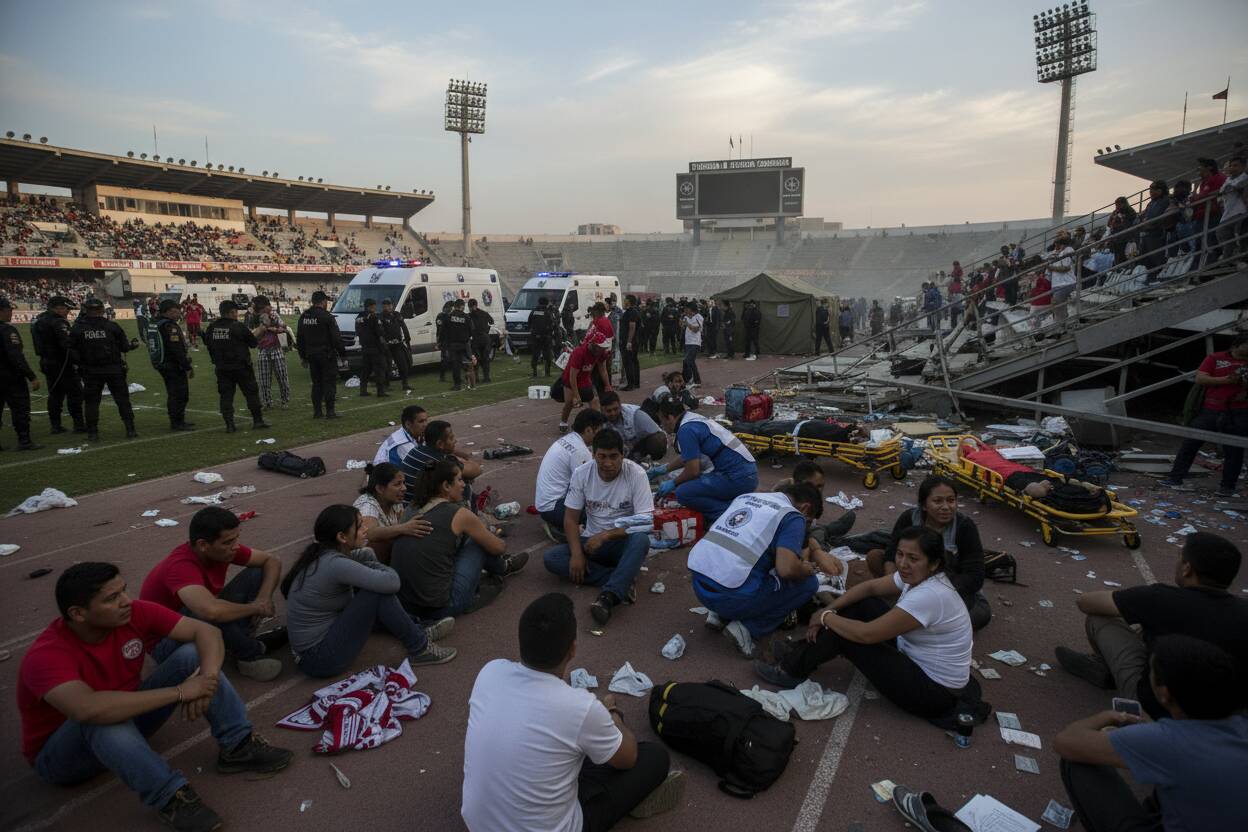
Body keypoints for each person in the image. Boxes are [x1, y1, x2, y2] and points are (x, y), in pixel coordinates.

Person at [18, 562, 293, 831]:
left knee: (191, 654)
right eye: (112, 598)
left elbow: (206, 631)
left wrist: (205, 681)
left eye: (123, 590)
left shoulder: (132, 613)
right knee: (101, 718)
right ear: (78, 613)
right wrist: (181, 692)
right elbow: (87, 709)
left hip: (128, 718)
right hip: (64, 757)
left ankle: (238, 745)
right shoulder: (47, 655)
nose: (126, 601)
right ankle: (170, 797)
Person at [461, 592, 681, 832]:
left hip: (478, 825)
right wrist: (613, 714)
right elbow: (628, 759)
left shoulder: (490, 672)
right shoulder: (581, 707)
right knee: (654, 758)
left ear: (521, 641)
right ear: (573, 649)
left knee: (567, 750)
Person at [755, 527, 983, 725]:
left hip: (935, 695)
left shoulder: (930, 595)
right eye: (900, 554)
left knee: (848, 635)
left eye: (913, 558)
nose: (903, 564)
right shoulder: (917, 577)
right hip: (917, 661)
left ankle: (791, 670)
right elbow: (869, 589)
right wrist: (828, 609)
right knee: (862, 605)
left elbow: (866, 635)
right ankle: (800, 652)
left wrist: (825, 617)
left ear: (933, 564)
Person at [1055, 635, 1247, 832]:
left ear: (1164, 693)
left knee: (1076, 760)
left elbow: (1066, 741)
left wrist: (1106, 716)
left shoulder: (1168, 741)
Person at [1054, 531, 1246, 719]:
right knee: (1145, 627)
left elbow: (1085, 602)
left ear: (1187, 569)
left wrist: (1136, 601)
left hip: (1156, 708)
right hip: (1223, 714)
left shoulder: (1161, 598)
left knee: (1100, 619)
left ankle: (1107, 670)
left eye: (1180, 558)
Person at [282, 504, 456, 678]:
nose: (365, 529)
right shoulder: (335, 565)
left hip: (315, 648)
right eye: (359, 526)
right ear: (342, 537)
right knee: (376, 594)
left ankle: (417, 629)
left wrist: (367, 558)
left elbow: (366, 556)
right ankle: (420, 648)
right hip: (318, 659)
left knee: (373, 591)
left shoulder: (323, 555)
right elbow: (392, 583)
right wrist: (375, 566)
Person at [689, 482, 844, 657]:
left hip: (700, 587)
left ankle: (719, 615)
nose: (805, 528)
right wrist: (806, 569)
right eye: (808, 522)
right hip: (730, 597)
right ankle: (747, 629)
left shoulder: (747, 497)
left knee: (755, 564)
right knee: (808, 584)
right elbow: (786, 570)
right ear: (805, 508)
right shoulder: (793, 516)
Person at [140, 507, 287, 682]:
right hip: (166, 643)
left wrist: (264, 598)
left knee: (257, 572)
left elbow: (272, 561)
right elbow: (210, 611)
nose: (235, 546)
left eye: (236, 538)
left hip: (200, 616)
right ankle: (248, 655)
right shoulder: (180, 566)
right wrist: (255, 608)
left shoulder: (222, 551)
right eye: (228, 542)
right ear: (203, 545)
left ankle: (238, 639)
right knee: (206, 610)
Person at [544, 430, 654, 626]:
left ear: (623, 455)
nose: (608, 463)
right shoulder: (582, 473)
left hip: (621, 543)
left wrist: (605, 536)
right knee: (552, 558)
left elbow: (645, 522)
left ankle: (608, 597)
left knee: (641, 540)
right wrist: (577, 554)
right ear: (593, 454)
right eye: (602, 456)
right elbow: (570, 519)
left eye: (613, 456)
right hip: (590, 544)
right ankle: (622, 579)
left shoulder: (636, 474)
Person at [392, 460, 524, 620]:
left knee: (457, 540)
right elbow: (499, 548)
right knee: (477, 542)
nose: (463, 485)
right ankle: (502, 567)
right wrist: (487, 532)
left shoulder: (411, 508)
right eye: (460, 480)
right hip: (443, 607)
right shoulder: (459, 514)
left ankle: (495, 569)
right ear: (446, 486)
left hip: (406, 605)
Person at [863, 476, 990, 631]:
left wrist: (931, 595)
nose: (946, 507)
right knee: (875, 557)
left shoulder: (964, 527)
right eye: (938, 501)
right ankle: (901, 607)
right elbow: (891, 551)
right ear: (923, 505)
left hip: (948, 588)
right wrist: (892, 581)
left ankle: (907, 613)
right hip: (911, 580)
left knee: (980, 614)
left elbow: (974, 577)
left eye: (951, 500)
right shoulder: (909, 518)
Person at [1159, 333, 1248, 497]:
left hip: (1239, 411)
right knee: (1191, 443)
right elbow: (1201, 378)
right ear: (1237, 345)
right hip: (1211, 409)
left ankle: (1228, 487)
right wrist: (1228, 380)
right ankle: (1175, 478)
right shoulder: (1216, 358)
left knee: (1234, 450)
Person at [655, 399, 759, 524]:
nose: (662, 426)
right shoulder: (693, 419)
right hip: (748, 473)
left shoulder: (686, 430)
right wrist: (664, 469)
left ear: (670, 418)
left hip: (738, 478)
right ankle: (732, 505)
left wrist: (673, 483)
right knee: (689, 483)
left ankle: (727, 516)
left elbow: (693, 471)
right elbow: (689, 456)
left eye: (662, 421)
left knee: (683, 493)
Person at [71, 297, 139, 441]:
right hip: (114, 369)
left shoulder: (78, 328)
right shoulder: (112, 326)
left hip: (90, 371)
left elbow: (72, 350)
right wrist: (133, 345)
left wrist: (81, 364)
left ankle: (93, 433)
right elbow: (124, 347)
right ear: (102, 310)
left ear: (86, 310)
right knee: (122, 400)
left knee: (92, 403)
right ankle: (130, 429)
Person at [535, 408, 607, 538]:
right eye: (599, 431)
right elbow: (592, 485)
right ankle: (566, 531)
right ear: (588, 430)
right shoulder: (579, 450)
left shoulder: (569, 439)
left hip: (545, 505)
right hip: (554, 508)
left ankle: (562, 525)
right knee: (605, 511)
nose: (600, 436)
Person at [205, 300, 270, 433]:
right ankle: (258, 421)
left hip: (222, 368)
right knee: (251, 394)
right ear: (232, 312)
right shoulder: (237, 326)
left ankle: (229, 425)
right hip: (242, 367)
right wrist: (261, 329)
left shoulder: (212, 327)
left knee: (226, 397)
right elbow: (253, 343)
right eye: (236, 312)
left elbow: (209, 345)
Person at [353, 462, 432, 564]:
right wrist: (403, 528)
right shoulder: (367, 504)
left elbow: (403, 521)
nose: (404, 488)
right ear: (380, 489)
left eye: (403, 483)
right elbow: (369, 533)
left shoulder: (394, 501)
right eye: (397, 484)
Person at [31, 295, 85, 434]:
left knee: (55, 394)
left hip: (46, 361)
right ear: (58, 308)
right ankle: (79, 424)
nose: (68, 312)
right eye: (66, 308)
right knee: (75, 393)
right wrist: (79, 361)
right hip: (62, 362)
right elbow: (67, 344)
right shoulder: (58, 322)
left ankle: (55, 425)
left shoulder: (38, 320)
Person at [398, 419, 483, 506]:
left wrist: (452, 451)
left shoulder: (416, 450)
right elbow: (477, 470)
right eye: (451, 438)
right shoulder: (441, 463)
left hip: (407, 505)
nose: (455, 441)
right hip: (421, 508)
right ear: (440, 444)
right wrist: (468, 458)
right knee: (463, 485)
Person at [0, 296, 43, 451]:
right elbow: (16, 356)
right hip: (10, 377)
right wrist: (31, 376)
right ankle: (24, 440)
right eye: (8, 310)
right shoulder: (7, 330)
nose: (11, 313)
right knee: (20, 408)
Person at [296, 290, 345, 419]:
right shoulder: (326, 316)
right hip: (326, 355)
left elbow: (300, 338)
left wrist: (303, 356)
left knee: (316, 384)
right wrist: (343, 354)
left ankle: (317, 412)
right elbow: (336, 338)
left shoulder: (304, 316)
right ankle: (330, 411)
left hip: (311, 355)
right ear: (323, 302)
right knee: (329, 383)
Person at [552, 330, 612, 432]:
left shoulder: (601, 353)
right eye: (600, 347)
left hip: (585, 379)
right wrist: (577, 396)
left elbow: (603, 369)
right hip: (570, 379)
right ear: (593, 345)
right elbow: (572, 377)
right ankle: (563, 421)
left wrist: (607, 385)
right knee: (569, 402)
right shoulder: (579, 353)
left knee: (594, 401)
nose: (603, 349)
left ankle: (598, 424)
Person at [151, 299, 195, 432]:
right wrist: (187, 366)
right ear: (169, 311)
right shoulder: (169, 326)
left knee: (174, 393)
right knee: (179, 394)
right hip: (172, 365)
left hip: (162, 363)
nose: (178, 314)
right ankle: (177, 422)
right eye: (176, 311)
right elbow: (176, 349)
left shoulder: (156, 323)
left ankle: (178, 421)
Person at [599, 390, 666, 462]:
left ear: (620, 405)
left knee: (658, 440)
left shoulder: (636, 413)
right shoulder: (598, 422)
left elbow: (659, 433)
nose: (613, 413)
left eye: (615, 409)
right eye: (609, 411)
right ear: (602, 410)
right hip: (618, 450)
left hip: (640, 445)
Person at [249, 296, 291, 410]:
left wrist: (274, 328)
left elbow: (284, 326)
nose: (269, 308)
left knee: (282, 377)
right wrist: (267, 328)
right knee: (264, 380)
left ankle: (285, 401)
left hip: (276, 349)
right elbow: (252, 334)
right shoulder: (254, 317)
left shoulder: (274, 315)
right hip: (262, 350)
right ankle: (267, 403)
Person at [1214, 155, 1246, 266]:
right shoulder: (1228, 179)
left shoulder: (1244, 177)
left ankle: (1239, 258)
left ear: (1243, 167)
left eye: (1235, 166)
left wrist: (1229, 188)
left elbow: (1235, 187)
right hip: (1227, 213)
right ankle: (1229, 259)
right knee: (1221, 234)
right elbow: (1221, 191)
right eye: (1231, 166)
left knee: (1239, 235)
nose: (1232, 168)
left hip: (1240, 211)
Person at [354, 298, 390, 398]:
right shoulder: (374, 316)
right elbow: (379, 332)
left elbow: (358, 331)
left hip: (365, 347)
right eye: (374, 306)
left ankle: (363, 390)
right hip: (375, 347)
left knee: (366, 370)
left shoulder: (359, 317)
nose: (375, 308)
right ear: (370, 306)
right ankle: (380, 391)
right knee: (380, 369)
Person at [380, 297, 412, 394]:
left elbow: (404, 327)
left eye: (389, 305)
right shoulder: (381, 316)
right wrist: (385, 342)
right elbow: (380, 331)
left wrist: (407, 340)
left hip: (398, 344)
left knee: (403, 364)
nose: (388, 307)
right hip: (387, 345)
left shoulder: (397, 314)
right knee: (387, 366)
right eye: (386, 306)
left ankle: (405, 384)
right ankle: (386, 385)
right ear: (383, 307)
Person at [443, 298, 474, 391]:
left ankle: (457, 385)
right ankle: (471, 384)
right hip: (464, 344)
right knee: (467, 364)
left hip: (453, 345)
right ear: (462, 306)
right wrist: (466, 337)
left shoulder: (449, 317)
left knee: (455, 365)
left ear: (454, 306)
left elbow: (444, 331)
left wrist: (445, 343)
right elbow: (471, 330)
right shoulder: (466, 317)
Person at [467, 298, 494, 384]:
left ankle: (477, 378)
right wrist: (486, 331)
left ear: (473, 306)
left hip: (477, 339)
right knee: (484, 359)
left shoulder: (469, 316)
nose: (469, 309)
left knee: (477, 359)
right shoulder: (484, 313)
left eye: (470, 307)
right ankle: (486, 378)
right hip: (485, 339)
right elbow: (491, 322)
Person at [528, 296, 556, 378]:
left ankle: (534, 373)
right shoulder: (548, 312)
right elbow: (553, 323)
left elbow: (529, 322)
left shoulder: (533, 311)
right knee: (547, 355)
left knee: (535, 355)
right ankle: (547, 373)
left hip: (535, 337)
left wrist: (533, 332)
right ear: (546, 303)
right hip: (546, 337)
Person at [619, 295, 641, 391]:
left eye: (625, 300)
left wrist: (629, 342)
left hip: (629, 341)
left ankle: (631, 384)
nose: (624, 301)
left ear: (628, 301)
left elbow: (632, 327)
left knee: (628, 362)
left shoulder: (631, 312)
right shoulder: (633, 311)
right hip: (633, 340)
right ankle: (636, 383)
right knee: (634, 361)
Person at [679, 300, 702, 386]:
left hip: (695, 342)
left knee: (688, 360)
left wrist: (687, 323)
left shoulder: (698, 317)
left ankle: (695, 380)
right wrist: (681, 322)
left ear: (691, 309)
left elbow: (696, 329)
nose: (685, 310)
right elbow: (682, 326)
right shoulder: (686, 317)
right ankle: (686, 379)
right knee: (687, 361)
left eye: (687, 308)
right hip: (688, 342)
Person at [435, 300, 453, 382]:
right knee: (445, 358)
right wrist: (438, 342)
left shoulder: (450, 315)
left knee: (453, 358)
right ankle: (442, 376)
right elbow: (440, 330)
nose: (451, 310)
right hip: (444, 340)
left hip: (451, 339)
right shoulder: (441, 316)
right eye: (450, 308)